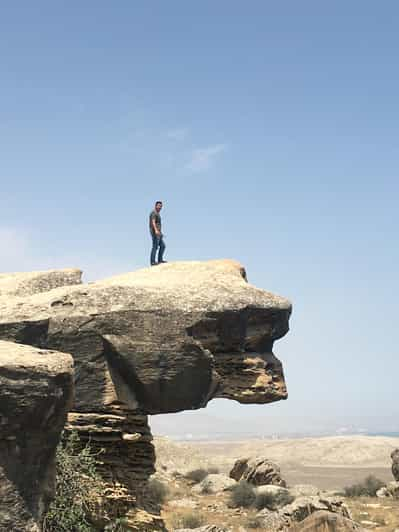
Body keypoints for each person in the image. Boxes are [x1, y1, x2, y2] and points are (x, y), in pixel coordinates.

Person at [149, 201, 166, 266]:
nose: (160, 207)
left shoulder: (158, 214)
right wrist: (156, 230)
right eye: (159, 206)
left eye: (161, 206)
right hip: (154, 232)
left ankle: (160, 260)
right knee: (155, 246)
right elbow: (153, 222)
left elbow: (157, 224)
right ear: (155, 206)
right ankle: (152, 262)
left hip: (158, 233)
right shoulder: (154, 213)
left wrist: (160, 233)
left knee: (163, 246)